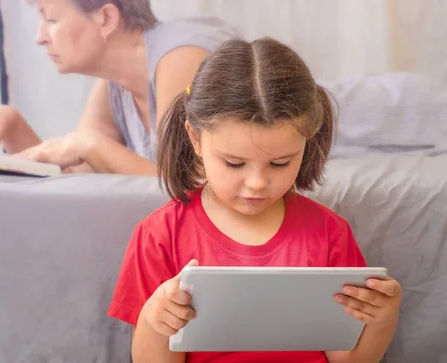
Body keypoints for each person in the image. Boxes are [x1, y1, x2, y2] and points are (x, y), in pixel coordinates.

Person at [107, 38, 402, 363]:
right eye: (234, 163)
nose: (258, 183)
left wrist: (382, 319)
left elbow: (349, 360)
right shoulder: (159, 235)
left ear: (307, 143)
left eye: (280, 163)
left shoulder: (329, 234)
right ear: (195, 139)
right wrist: (155, 317)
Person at [0, 0, 236, 175]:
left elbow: (188, 187)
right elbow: (77, 180)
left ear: (105, 18)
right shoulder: (114, 85)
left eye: (51, 20)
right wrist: (13, 126)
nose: (40, 37)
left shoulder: (182, 58)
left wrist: (90, 144)